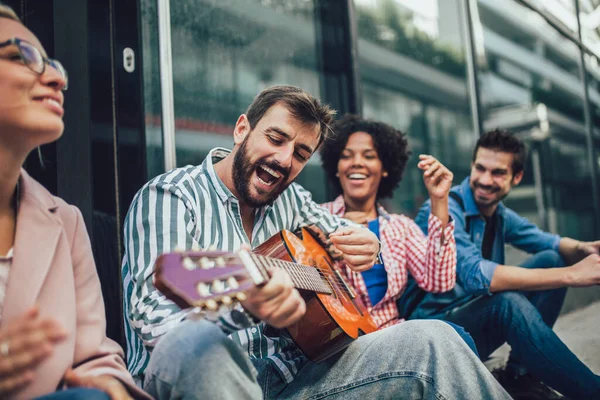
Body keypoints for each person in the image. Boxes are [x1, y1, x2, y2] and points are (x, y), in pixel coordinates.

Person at [122, 85, 511, 399]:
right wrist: (244, 308)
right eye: (275, 138)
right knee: (196, 346)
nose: (283, 159)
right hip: (210, 378)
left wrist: (368, 246)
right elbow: (153, 320)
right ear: (242, 129)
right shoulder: (172, 197)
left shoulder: (288, 196)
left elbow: (334, 227)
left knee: (434, 337)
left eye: (300, 153)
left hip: (297, 378)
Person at [0, 4, 150, 400]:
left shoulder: (66, 222)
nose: (55, 78)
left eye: (54, 65)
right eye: (21, 56)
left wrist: (110, 386)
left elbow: (93, 357)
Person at [408, 129, 600, 399]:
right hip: (433, 334)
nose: (485, 180)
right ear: (472, 166)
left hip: (472, 326)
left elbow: (550, 242)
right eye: (480, 168)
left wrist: (585, 248)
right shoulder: (442, 207)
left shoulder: (500, 215)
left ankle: (520, 376)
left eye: (497, 172)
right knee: (506, 302)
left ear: (516, 177)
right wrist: (571, 275)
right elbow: (477, 275)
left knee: (550, 259)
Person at [318, 115, 481, 352]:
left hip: (393, 336)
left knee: (455, 337)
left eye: (369, 156)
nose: (356, 163)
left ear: (384, 169)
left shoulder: (400, 227)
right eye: (346, 155)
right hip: (342, 347)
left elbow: (439, 281)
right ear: (336, 167)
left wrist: (439, 199)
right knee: (451, 338)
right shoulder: (314, 220)